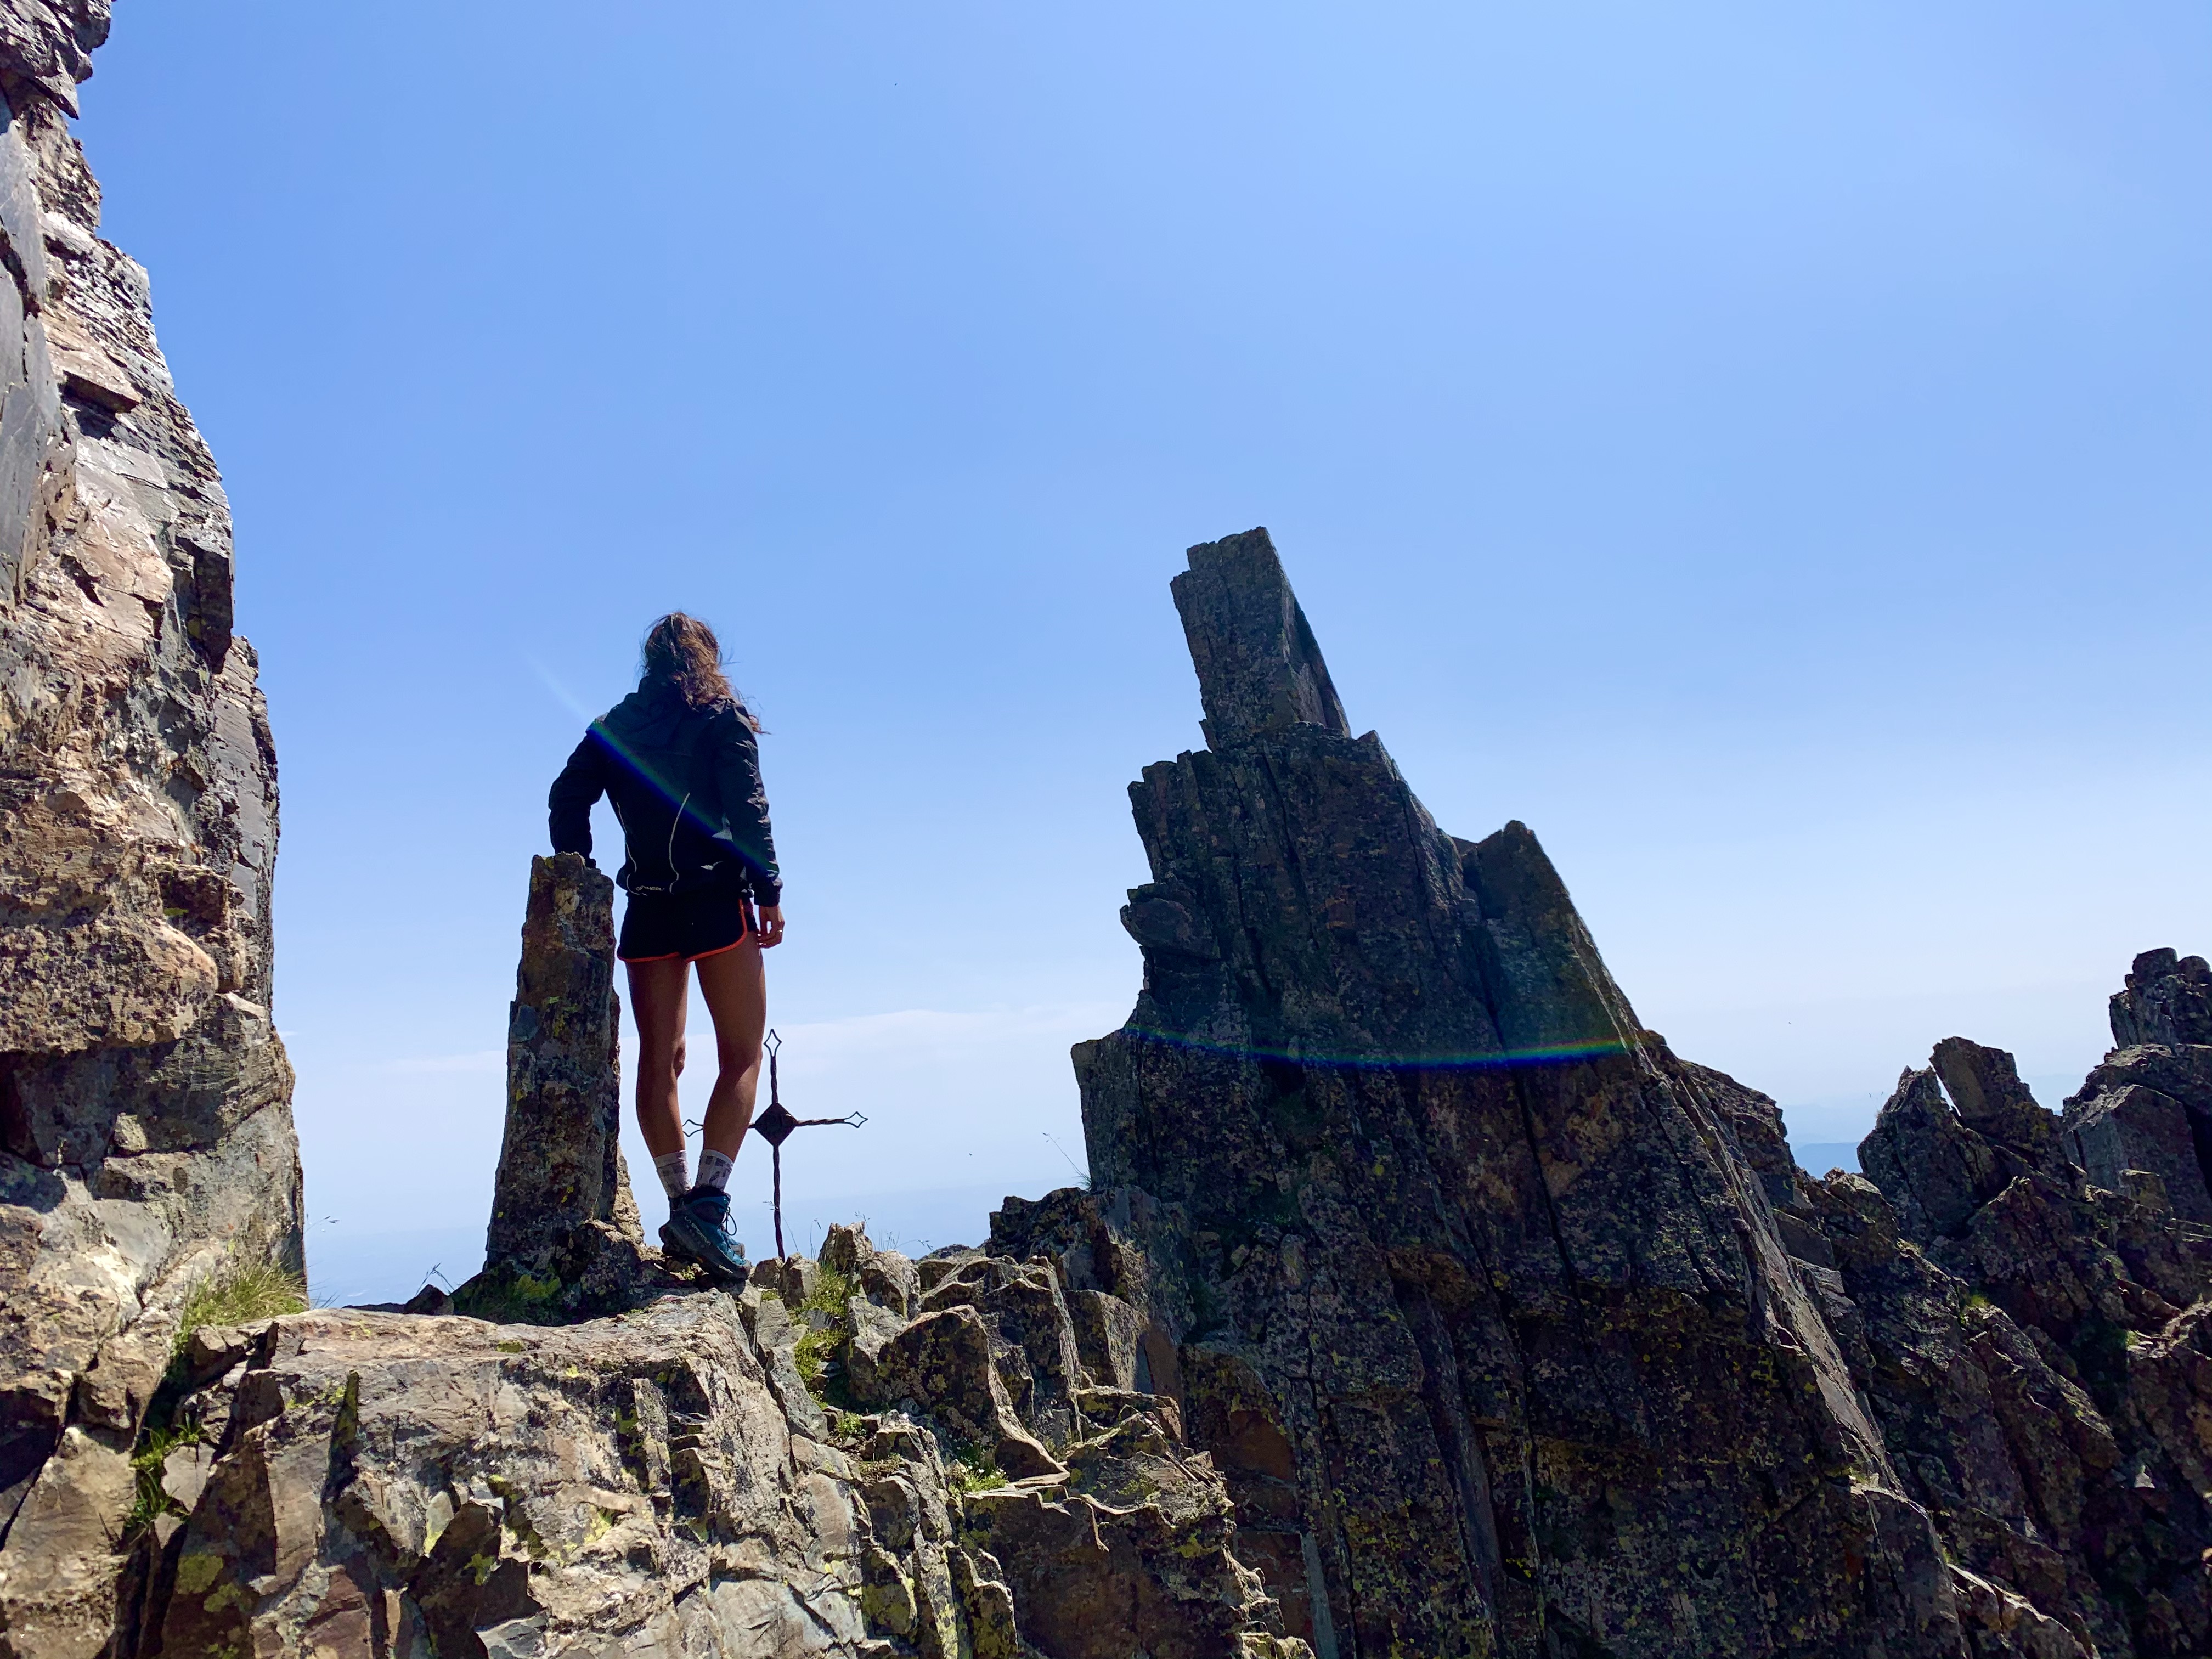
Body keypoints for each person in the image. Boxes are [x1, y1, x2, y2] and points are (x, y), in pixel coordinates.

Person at [548, 612, 783, 1285]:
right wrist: (768, 888)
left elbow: (567, 796)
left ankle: (681, 1204)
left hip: (648, 908)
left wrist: (580, 869)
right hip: (716, 905)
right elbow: (749, 807)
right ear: (708, 658)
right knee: (742, 1055)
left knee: (661, 1059)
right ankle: (706, 1207)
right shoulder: (722, 719)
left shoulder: (614, 727)